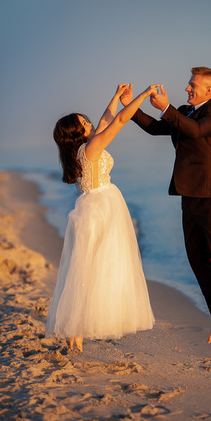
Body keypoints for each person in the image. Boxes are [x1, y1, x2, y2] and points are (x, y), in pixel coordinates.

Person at [120, 67, 211, 350]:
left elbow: (196, 131)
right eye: (188, 84)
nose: (187, 89)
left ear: (210, 90)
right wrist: (130, 106)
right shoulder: (184, 111)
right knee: (196, 256)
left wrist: (167, 107)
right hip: (188, 195)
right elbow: (156, 128)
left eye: (193, 86)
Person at [46, 84, 156, 352]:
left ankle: (75, 333)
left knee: (84, 270)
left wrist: (116, 97)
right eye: (85, 123)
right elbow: (119, 120)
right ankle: (78, 332)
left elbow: (108, 119)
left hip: (89, 208)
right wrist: (142, 96)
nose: (92, 123)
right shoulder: (92, 147)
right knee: (100, 269)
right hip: (102, 208)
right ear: (78, 132)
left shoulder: (78, 152)